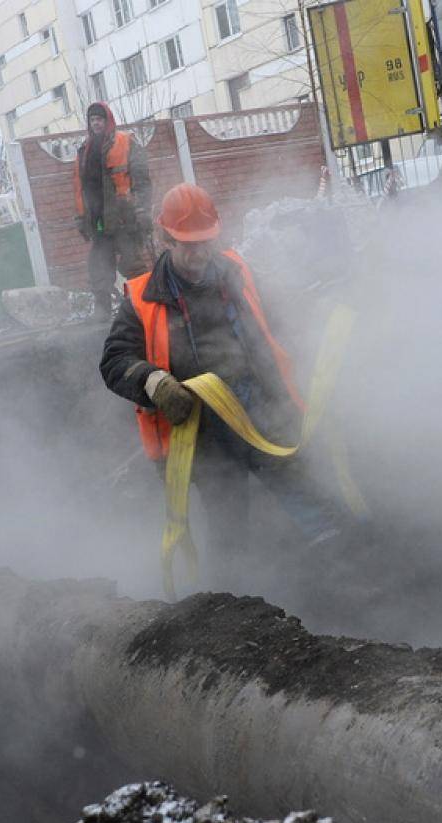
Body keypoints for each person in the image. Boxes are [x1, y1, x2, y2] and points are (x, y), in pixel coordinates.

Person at [99, 183, 343, 578]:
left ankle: (347, 570)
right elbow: (114, 361)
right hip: (204, 433)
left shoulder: (238, 272)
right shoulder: (142, 297)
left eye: (205, 242)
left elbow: (277, 319)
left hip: (260, 408)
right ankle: (239, 602)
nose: (198, 254)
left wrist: (316, 317)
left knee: (305, 495)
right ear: (165, 239)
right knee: (229, 521)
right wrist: (154, 382)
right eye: (187, 244)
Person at [75, 102, 152, 322]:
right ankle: (102, 312)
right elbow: (79, 189)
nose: (96, 123)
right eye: (92, 120)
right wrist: (81, 218)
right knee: (98, 267)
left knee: (133, 265)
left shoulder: (126, 142)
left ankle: (145, 307)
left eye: (99, 119)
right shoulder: (84, 151)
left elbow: (143, 181)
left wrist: (143, 209)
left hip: (124, 219)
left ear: (107, 120)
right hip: (98, 222)